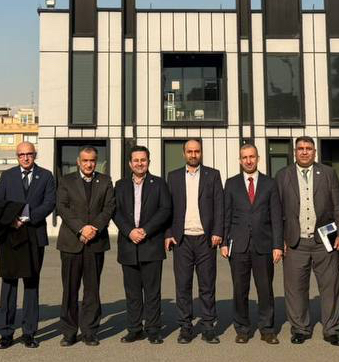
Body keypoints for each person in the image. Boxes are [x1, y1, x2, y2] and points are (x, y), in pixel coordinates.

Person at [275, 136, 339, 345]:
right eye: (300, 148)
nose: (304, 152)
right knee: (295, 288)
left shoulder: (327, 173)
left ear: (315, 152)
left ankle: (332, 329)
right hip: (295, 241)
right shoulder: (283, 175)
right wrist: (279, 240)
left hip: (324, 240)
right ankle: (300, 328)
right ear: (295, 152)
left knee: (331, 286)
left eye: (308, 148)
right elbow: (276, 210)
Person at [0, 141, 56, 349]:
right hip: (10, 235)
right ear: (17, 156)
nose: (25, 158)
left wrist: (27, 217)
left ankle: (29, 333)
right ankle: (6, 333)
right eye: (21, 154)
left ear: (35, 155)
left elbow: (49, 202)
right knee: (9, 285)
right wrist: (11, 220)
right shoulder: (7, 176)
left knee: (31, 284)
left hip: (34, 234)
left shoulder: (46, 176)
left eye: (29, 154)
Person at [221, 143, 284, 344]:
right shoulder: (231, 184)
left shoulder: (270, 184)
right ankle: (242, 329)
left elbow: (276, 217)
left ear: (258, 158)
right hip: (238, 245)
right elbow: (226, 215)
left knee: (265, 289)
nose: (248, 161)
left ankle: (267, 329)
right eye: (245, 157)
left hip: (263, 245)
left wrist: (277, 245)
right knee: (240, 289)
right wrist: (224, 242)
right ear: (240, 160)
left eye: (252, 157)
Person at [165, 138, 225, 344]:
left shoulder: (213, 175)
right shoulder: (173, 177)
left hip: (205, 239)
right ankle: (185, 327)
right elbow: (168, 208)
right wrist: (168, 233)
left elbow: (219, 205)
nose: (193, 155)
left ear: (201, 153)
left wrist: (218, 232)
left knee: (207, 285)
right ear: (184, 154)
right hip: (181, 240)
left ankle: (208, 327)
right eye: (189, 151)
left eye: (196, 151)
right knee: (183, 286)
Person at [54, 146, 115, 346]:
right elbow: (62, 207)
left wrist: (94, 228)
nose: (89, 164)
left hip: (95, 243)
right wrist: (81, 228)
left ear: (96, 162)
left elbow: (109, 208)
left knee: (92, 290)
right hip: (71, 242)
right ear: (78, 162)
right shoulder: (66, 181)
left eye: (92, 160)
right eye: (85, 160)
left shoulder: (105, 181)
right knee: (70, 290)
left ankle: (90, 331)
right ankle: (69, 332)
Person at [114, 145, 172, 343]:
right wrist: (129, 231)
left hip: (151, 244)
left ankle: (153, 330)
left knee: (152, 291)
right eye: (136, 160)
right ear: (130, 164)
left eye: (143, 160)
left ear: (148, 162)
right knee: (132, 292)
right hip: (128, 244)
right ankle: (134, 328)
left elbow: (165, 210)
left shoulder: (159, 184)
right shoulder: (120, 185)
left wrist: (145, 230)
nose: (140, 163)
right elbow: (115, 211)